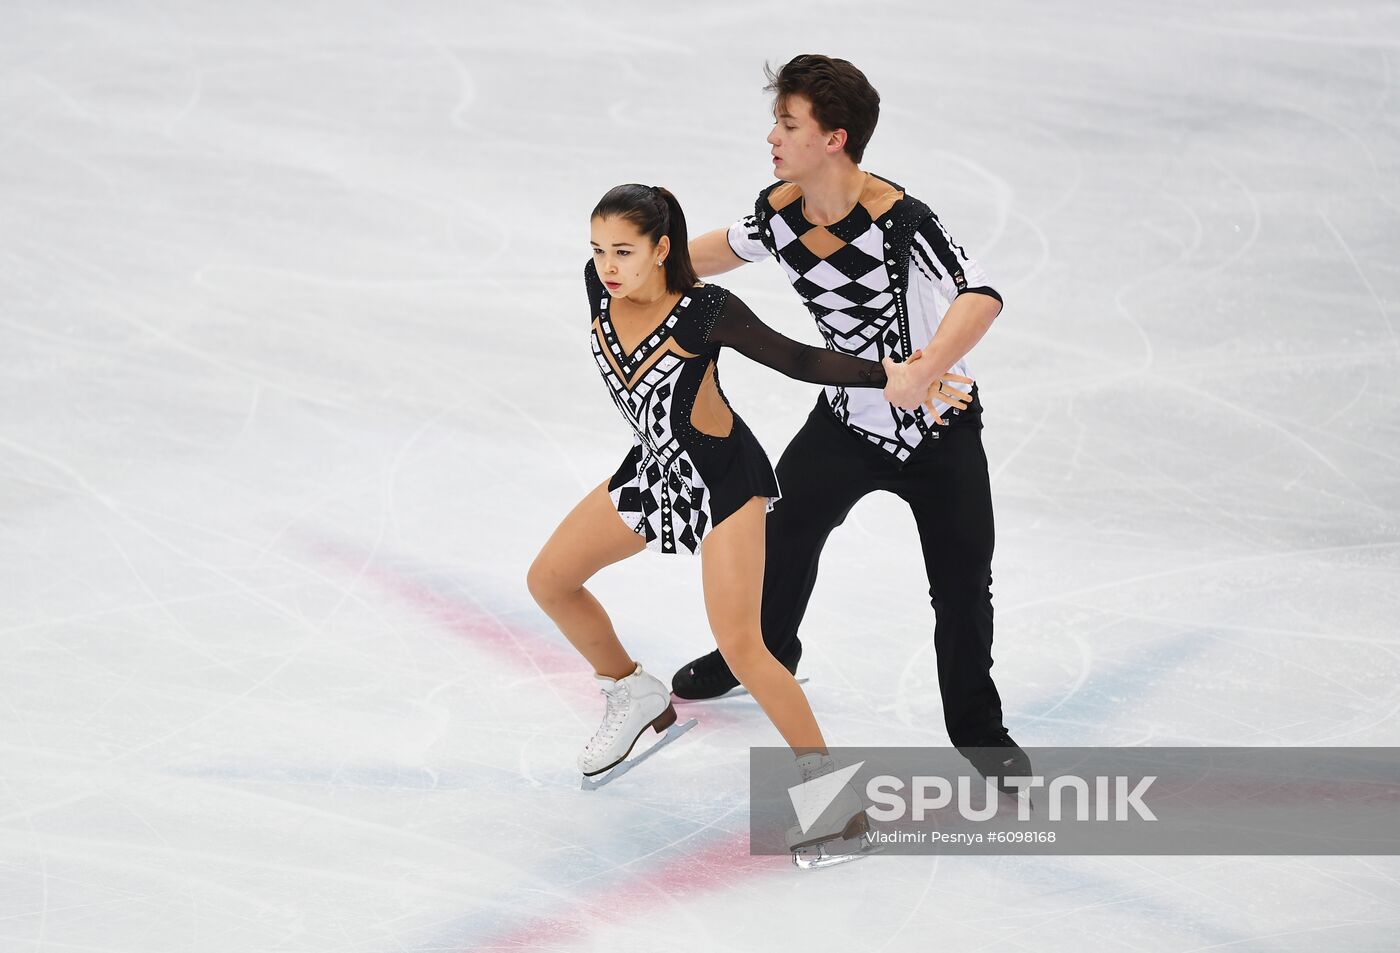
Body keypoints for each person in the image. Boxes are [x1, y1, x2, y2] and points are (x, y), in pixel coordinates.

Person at [670, 54, 1030, 788]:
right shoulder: (780, 210)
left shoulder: (902, 221)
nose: (773, 134)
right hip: (845, 420)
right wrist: (659, 266)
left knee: (962, 585)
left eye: (789, 123)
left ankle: (980, 733)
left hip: (939, 430)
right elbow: (727, 248)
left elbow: (981, 294)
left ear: (833, 138)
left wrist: (925, 368)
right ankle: (762, 653)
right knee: (782, 534)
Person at [525, 184, 937, 798]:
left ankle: (834, 800)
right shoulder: (597, 285)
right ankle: (632, 691)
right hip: (655, 471)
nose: (608, 267)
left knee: (743, 644)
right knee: (550, 580)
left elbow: (797, 360)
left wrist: (893, 374)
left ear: (662, 249)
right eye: (598, 250)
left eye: (624, 251)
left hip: (724, 482)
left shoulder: (704, 310)